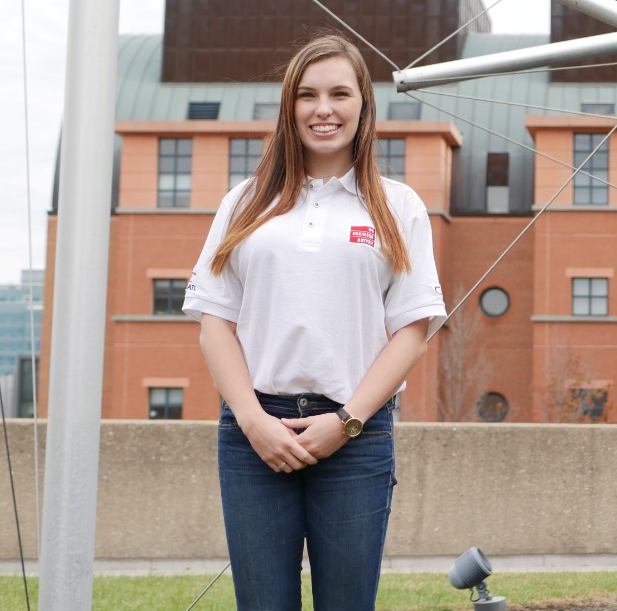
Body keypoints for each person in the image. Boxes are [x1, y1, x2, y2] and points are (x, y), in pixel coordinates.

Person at [183, 32, 445, 610]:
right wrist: (253, 422)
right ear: (289, 107)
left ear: (363, 105)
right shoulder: (245, 202)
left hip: (355, 436)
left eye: (339, 93)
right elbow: (214, 322)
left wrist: (347, 421)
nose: (323, 109)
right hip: (254, 433)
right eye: (307, 95)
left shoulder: (398, 206)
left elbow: (413, 330)